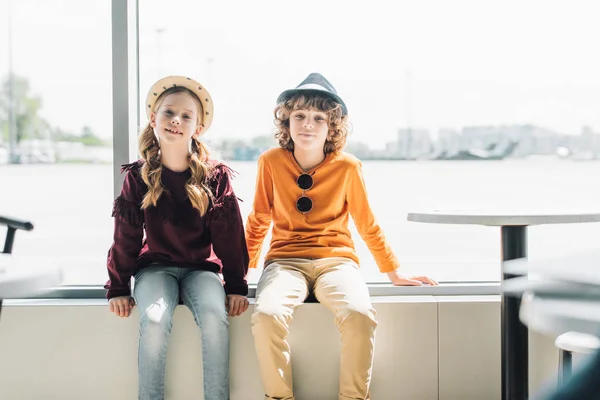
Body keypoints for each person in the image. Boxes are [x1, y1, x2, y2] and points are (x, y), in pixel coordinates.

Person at [245, 72, 438, 400]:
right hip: (284, 262)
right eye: (300, 116)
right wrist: (239, 272)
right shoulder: (271, 161)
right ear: (287, 122)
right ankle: (279, 397)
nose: (308, 124)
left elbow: (366, 223)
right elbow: (259, 219)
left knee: (360, 316)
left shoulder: (348, 167)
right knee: (266, 315)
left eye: (319, 118)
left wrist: (394, 272)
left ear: (332, 126)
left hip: (336, 261)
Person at [105, 75, 249, 400]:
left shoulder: (215, 176)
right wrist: (117, 288)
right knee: (155, 319)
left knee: (215, 318)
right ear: (153, 119)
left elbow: (230, 236)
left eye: (186, 116)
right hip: (155, 268)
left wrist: (237, 285)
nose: (176, 121)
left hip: (201, 269)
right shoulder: (138, 176)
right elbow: (125, 236)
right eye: (169, 112)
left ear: (197, 128)